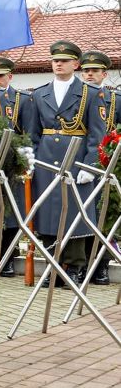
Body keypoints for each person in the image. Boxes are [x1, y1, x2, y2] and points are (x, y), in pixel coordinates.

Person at [28, 41, 105, 290]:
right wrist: (29, 160)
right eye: (55, 60)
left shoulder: (90, 94)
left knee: (75, 214)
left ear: (76, 64)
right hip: (46, 161)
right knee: (48, 215)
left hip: (76, 161)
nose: (58, 63)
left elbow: (97, 135)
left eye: (64, 60)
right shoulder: (39, 94)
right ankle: (54, 267)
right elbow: (32, 134)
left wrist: (89, 166)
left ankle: (73, 267)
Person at [0, 55, 32, 278]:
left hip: (10, 161)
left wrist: (24, 156)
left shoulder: (21, 99)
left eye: (0, 76)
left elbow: (28, 132)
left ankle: (7, 259)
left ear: (10, 76)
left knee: (10, 212)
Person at [77, 49, 115, 286]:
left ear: (104, 74)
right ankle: (81, 266)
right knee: (83, 217)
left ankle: (101, 267)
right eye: (86, 71)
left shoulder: (116, 99)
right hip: (83, 164)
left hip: (108, 167)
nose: (89, 75)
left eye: (94, 71)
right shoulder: (78, 97)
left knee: (104, 219)